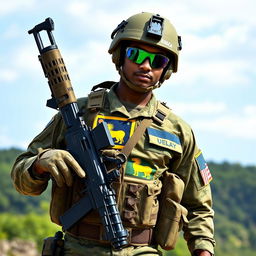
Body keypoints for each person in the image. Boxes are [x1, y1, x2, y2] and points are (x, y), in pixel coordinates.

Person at [11, 12, 215, 256]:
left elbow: (199, 206)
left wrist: (203, 251)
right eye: (136, 54)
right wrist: (40, 164)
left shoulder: (177, 130)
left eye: (158, 61)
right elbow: (22, 180)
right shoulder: (79, 113)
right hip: (77, 249)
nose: (146, 66)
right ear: (120, 56)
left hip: (143, 251)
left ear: (167, 70)